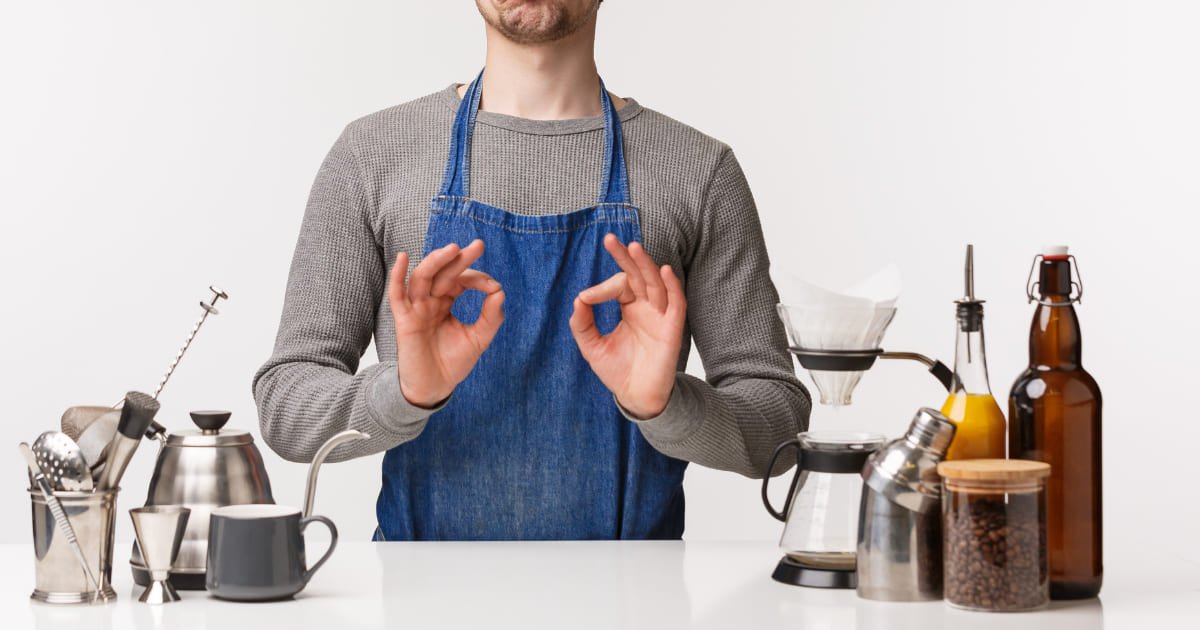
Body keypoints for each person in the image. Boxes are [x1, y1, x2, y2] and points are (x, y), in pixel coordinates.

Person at [253, 0, 810, 541]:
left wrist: (665, 404)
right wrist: (404, 391)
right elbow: (286, 406)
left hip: (637, 601)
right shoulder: (372, 154)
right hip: (421, 597)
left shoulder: (698, 169)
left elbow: (779, 422)